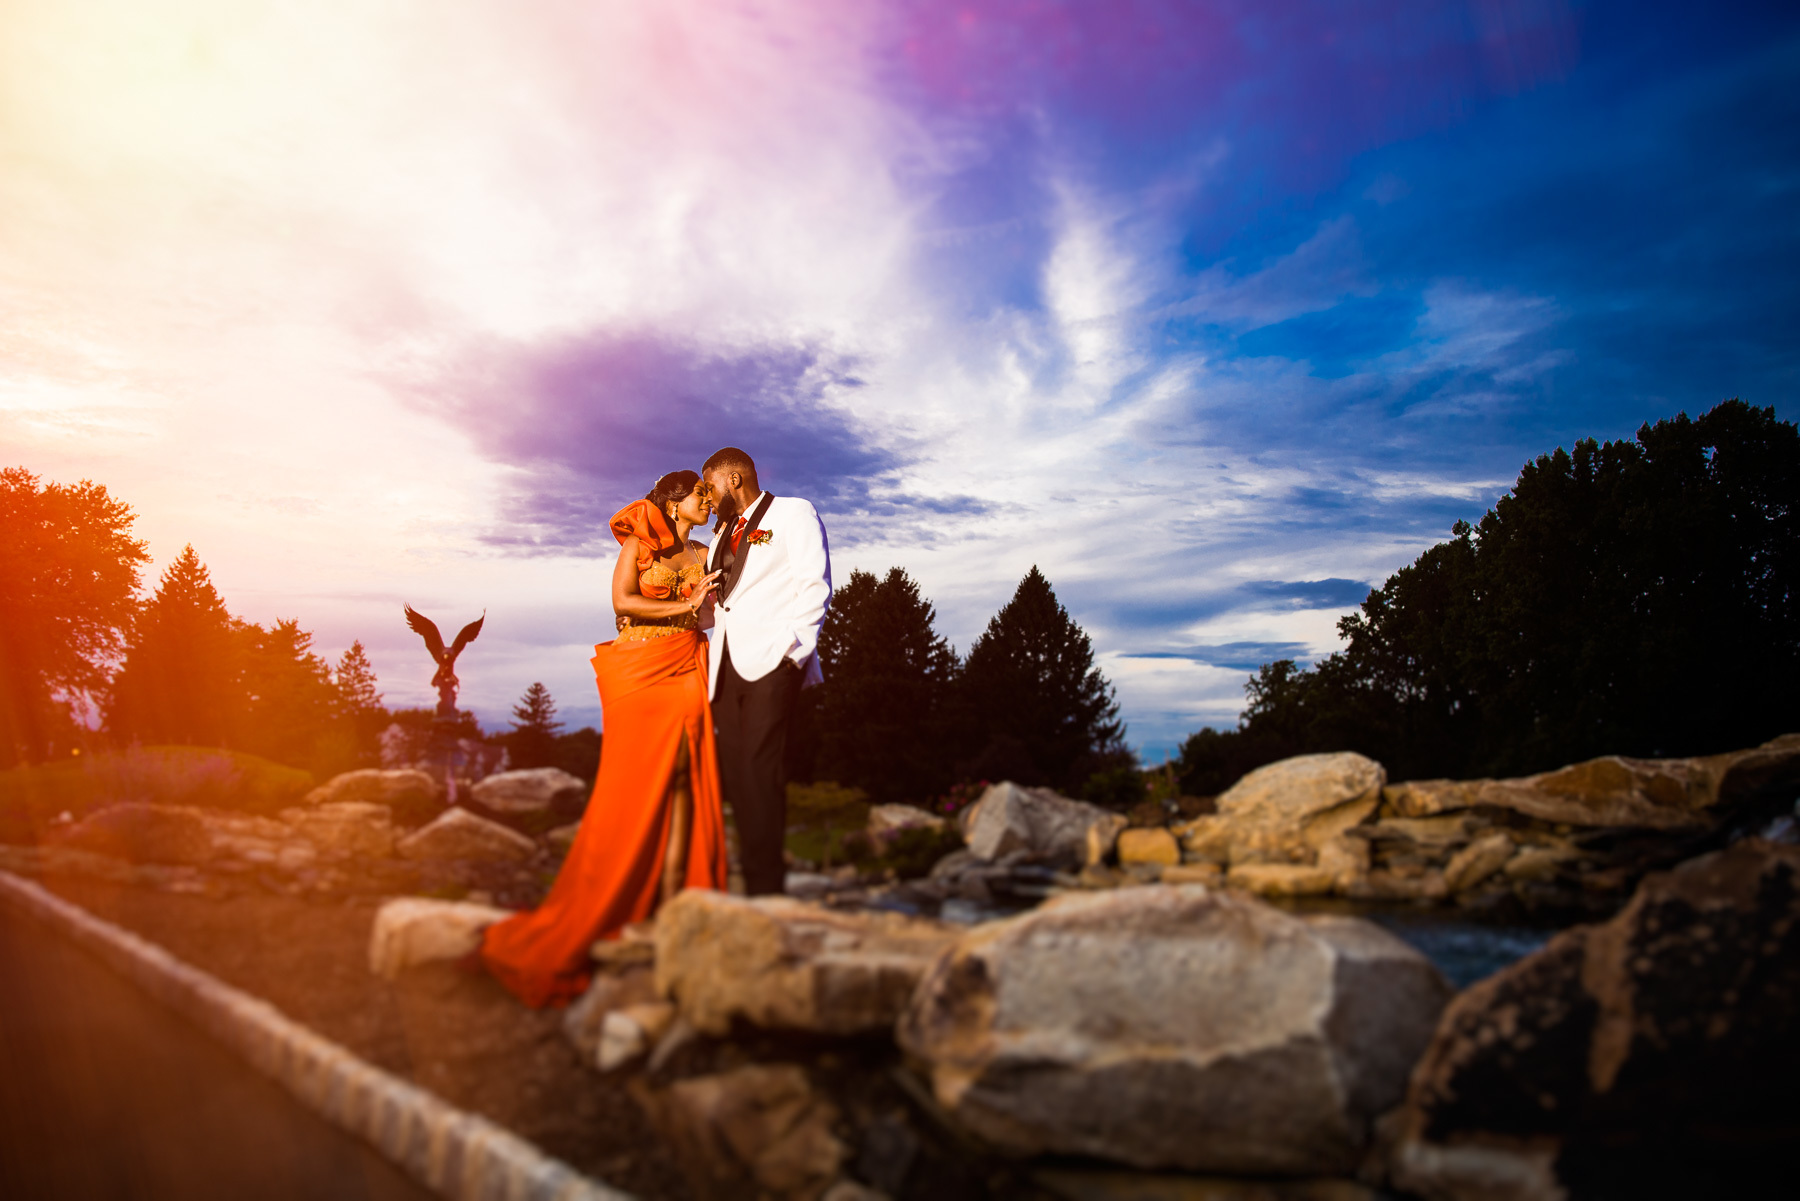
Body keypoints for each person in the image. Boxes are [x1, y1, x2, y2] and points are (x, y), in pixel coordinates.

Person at [481, 470, 728, 1007]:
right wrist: (685, 606)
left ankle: (673, 904)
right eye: (699, 495)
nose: (707, 503)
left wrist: (705, 605)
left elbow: (708, 617)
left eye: (710, 497)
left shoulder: (705, 552)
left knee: (684, 777)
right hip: (639, 667)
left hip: (687, 662)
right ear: (673, 501)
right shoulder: (639, 544)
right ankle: (607, 896)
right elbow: (622, 603)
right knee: (630, 785)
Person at [701, 447, 832, 896]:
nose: (707, 496)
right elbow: (721, 607)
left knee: (761, 769)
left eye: (710, 486)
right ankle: (755, 885)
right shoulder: (719, 536)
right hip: (724, 668)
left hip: (774, 659)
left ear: (734, 480)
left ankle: (766, 890)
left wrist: (794, 653)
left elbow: (814, 584)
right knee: (738, 775)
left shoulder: (794, 513)